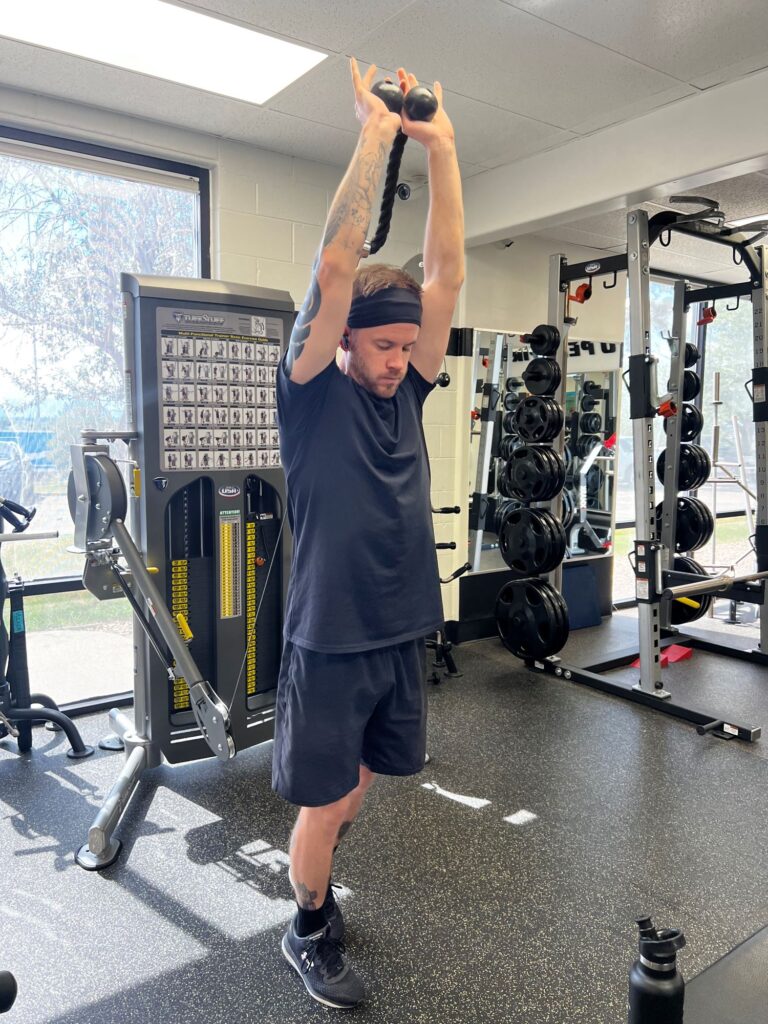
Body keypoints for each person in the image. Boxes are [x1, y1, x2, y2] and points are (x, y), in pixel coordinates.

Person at [274, 57, 464, 1009]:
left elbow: (444, 273)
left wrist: (445, 146)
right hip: (331, 634)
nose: (400, 360)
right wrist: (376, 135)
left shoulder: (409, 389)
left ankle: (316, 872)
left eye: (405, 346)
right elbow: (338, 267)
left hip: (399, 628)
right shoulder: (310, 394)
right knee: (328, 799)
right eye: (385, 346)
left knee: (357, 788)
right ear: (346, 338)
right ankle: (306, 923)